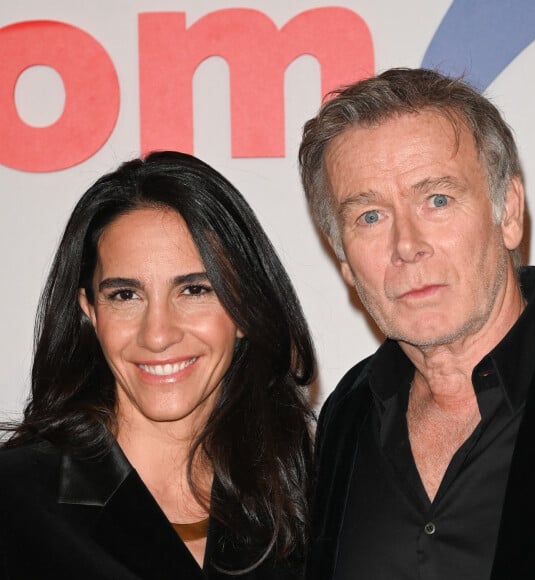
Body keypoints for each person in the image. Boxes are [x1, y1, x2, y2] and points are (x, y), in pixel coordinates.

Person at [298, 67, 535, 579]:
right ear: (343, 261)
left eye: (438, 200)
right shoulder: (345, 418)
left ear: (509, 213)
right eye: (370, 217)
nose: (407, 245)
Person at [0, 151, 316, 579]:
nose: (158, 334)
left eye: (194, 290)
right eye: (125, 296)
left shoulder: (303, 503)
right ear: (89, 311)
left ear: (245, 308)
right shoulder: (15, 500)